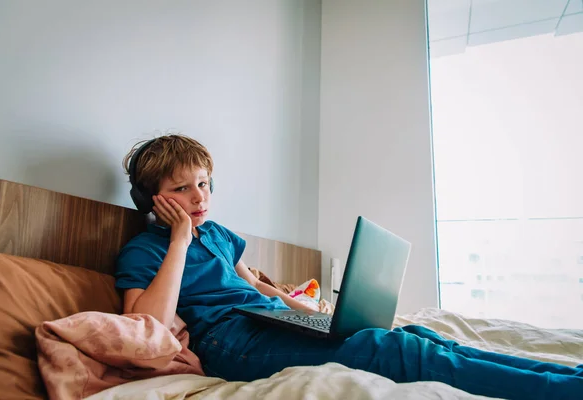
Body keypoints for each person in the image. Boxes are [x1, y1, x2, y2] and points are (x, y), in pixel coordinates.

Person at [115, 134, 582, 400]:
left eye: (203, 184)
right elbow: (149, 323)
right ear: (149, 199)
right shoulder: (145, 251)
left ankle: (566, 376)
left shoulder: (217, 235)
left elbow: (248, 283)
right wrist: (178, 239)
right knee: (393, 351)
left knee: (420, 337)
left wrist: (299, 308)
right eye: (182, 189)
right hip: (231, 342)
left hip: (270, 321)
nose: (199, 197)